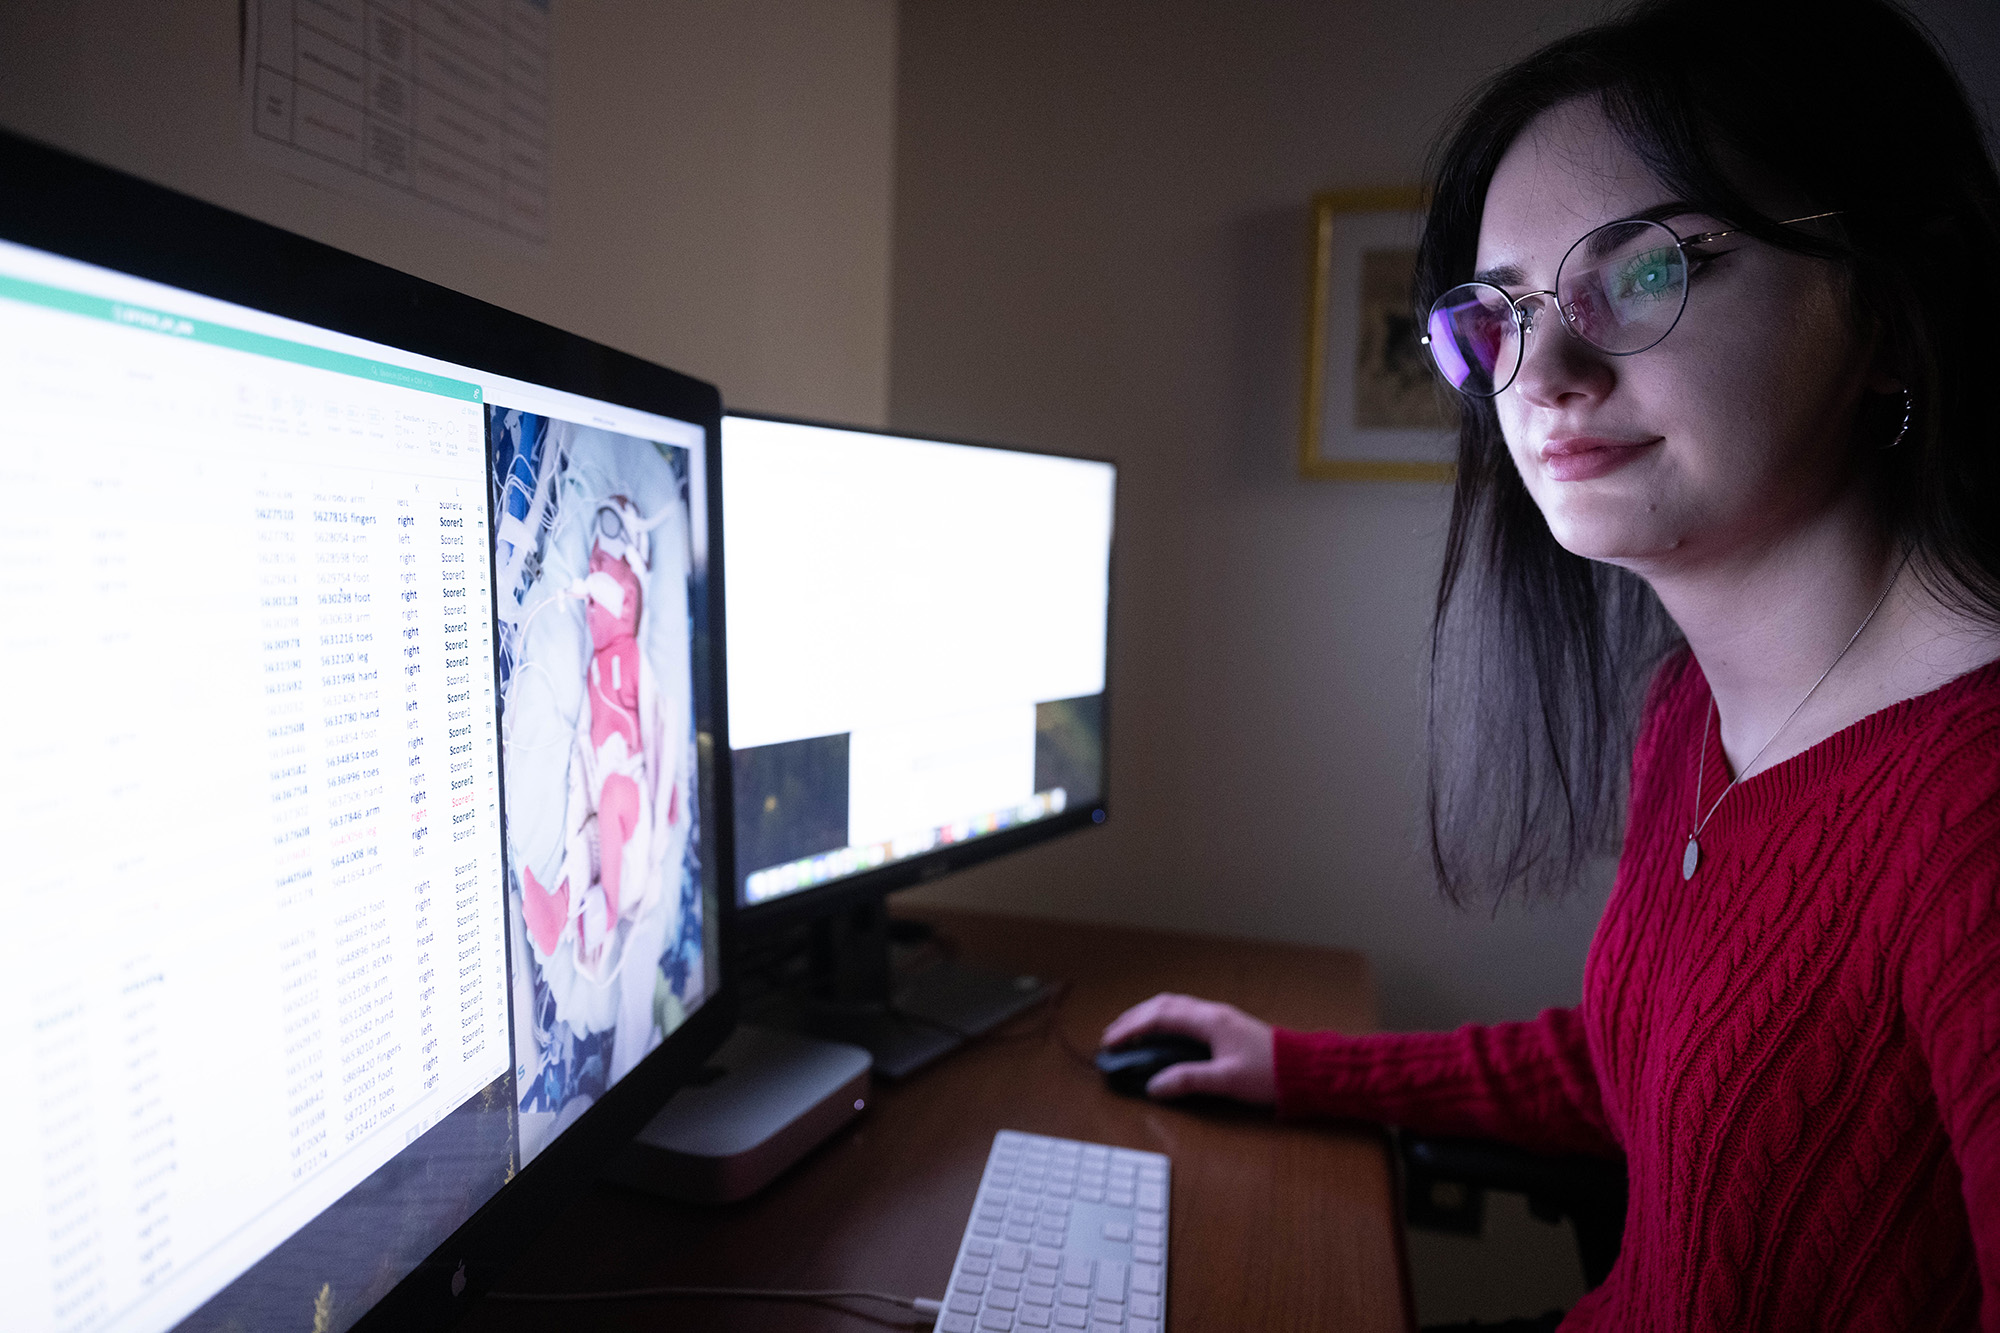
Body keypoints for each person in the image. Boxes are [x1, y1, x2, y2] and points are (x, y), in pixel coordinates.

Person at [1103, 1, 2000, 1327]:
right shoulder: (1689, 710)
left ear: (1877, 307)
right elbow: (1641, 1061)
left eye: (1641, 271)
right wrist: (1293, 1065)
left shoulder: (1971, 802)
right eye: (1501, 313)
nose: (1546, 373)